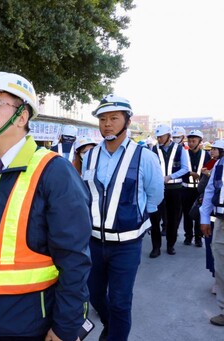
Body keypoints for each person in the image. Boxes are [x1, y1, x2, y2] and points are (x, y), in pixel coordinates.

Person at [0, 71, 92, 341]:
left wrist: (65, 327)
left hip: (30, 327)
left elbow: (74, 259)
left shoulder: (54, 171)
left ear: (22, 117)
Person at [82, 95, 164, 340]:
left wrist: (133, 217)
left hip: (127, 245)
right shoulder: (90, 155)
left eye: (114, 118)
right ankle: (111, 325)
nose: (107, 124)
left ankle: (115, 334)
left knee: (120, 301)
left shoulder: (144, 156)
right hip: (94, 242)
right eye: (103, 119)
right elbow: (88, 193)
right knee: (95, 295)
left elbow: (155, 196)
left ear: (127, 121)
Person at [149, 124, 189, 257]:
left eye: (161, 136)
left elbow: (185, 168)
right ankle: (156, 247)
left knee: (173, 219)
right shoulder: (153, 149)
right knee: (155, 218)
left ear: (168, 136)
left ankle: (170, 245)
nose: (159, 139)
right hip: (157, 188)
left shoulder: (179, 149)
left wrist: (170, 176)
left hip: (175, 189)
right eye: (158, 137)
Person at [200, 139, 224, 326]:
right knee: (221, 267)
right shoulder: (219, 165)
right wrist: (205, 218)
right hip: (221, 222)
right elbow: (209, 191)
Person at [181, 130, 210, 247]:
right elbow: (178, 170)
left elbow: (209, 173)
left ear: (200, 141)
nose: (191, 143)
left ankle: (198, 238)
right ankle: (188, 236)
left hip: (199, 190)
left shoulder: (206, 155)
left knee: (198, 213)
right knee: (187, 214)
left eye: (194, 141)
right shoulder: (184, 153)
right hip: (186, 189)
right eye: (190, 141)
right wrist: (189, 173)